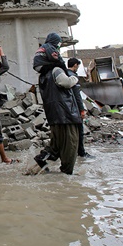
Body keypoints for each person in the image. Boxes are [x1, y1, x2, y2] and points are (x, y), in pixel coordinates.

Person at [31, 40, 83, 175]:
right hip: (66, 115)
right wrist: (75, 79)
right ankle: (66, 175)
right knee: (70, 146)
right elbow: (65, 83)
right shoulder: (57, 70)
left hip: (54, 116)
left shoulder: (43, 75)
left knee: (56, 145)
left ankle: (38, 164)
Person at [67, 58, 92, 158]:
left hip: (66, 108)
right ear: (75, 65)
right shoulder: (73, 77)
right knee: (79, 131)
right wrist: (82, 110)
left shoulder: (64, 75)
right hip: (75, 108)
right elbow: (77, 95)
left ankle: (69, 153)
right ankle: (81, 152)